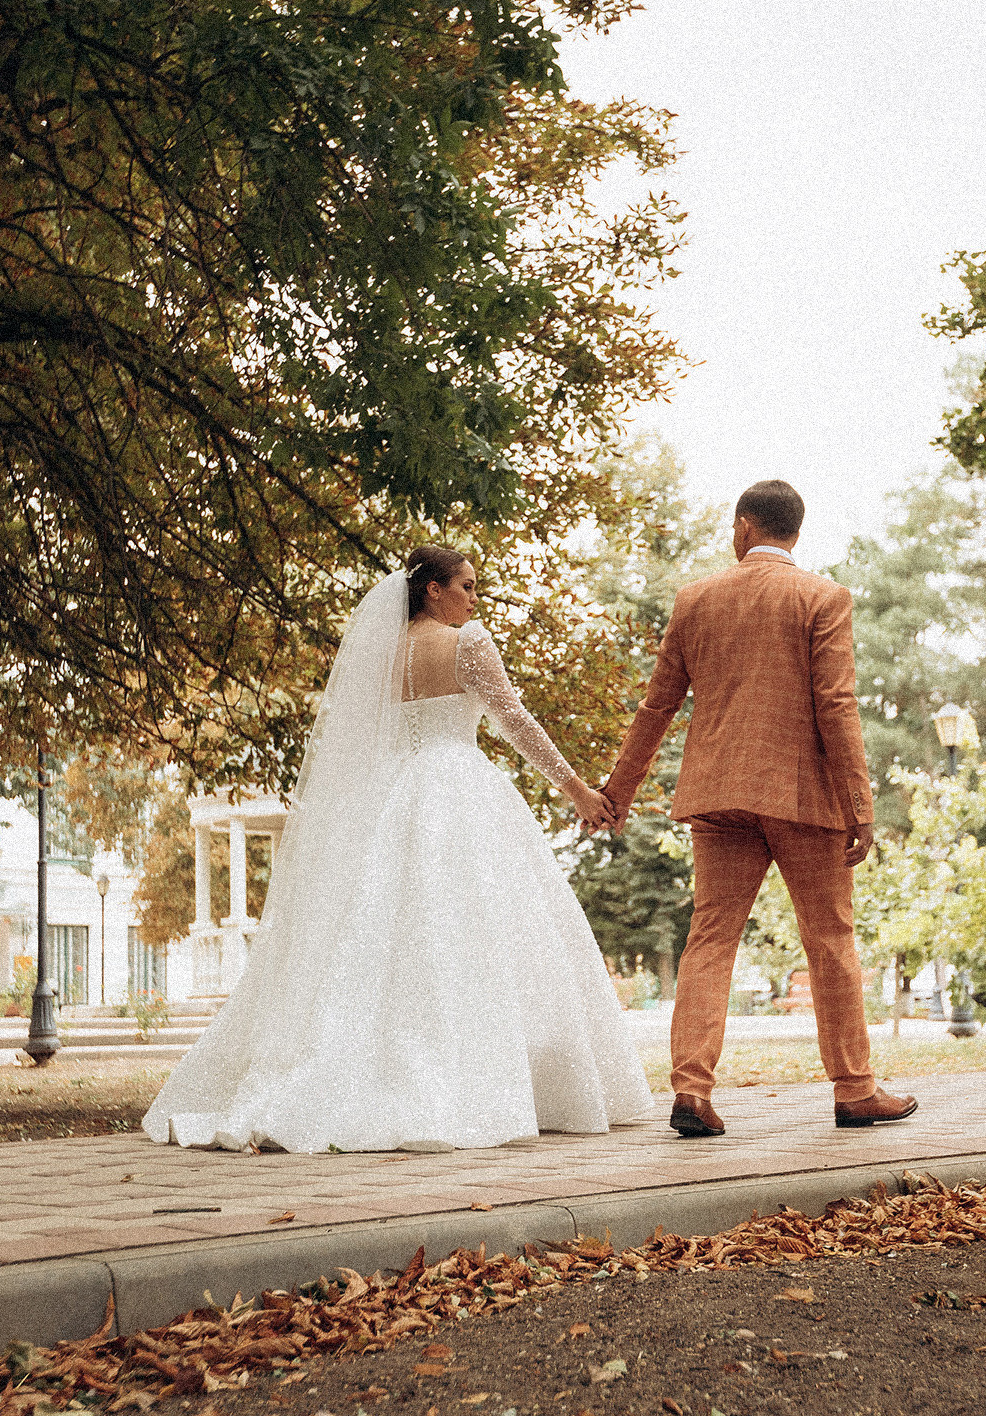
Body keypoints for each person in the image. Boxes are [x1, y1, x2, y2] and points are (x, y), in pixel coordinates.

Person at [144, 546, 652, 1153]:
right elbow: (514, 721)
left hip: (399, 799)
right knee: (478, 928)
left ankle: (405, 1063)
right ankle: (489, 1081)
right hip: (460, 788)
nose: (473, 598)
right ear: (433, 590)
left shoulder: (381, 655)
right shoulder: (469, 645)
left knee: (398, 935)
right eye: (465, 585)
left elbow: (365, 742)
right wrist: (576, 790)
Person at [595, 480, 917, 1138]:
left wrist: (618, 793)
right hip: (804, 797)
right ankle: (855, 1091)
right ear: (793, 533)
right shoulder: (822, 597)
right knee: (830, 939)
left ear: (744, 527)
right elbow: (836, 704)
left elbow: (658, 705)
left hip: (718, 798)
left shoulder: (695, 599)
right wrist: (860, 804)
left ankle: (691, 1091)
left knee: (710, 938)